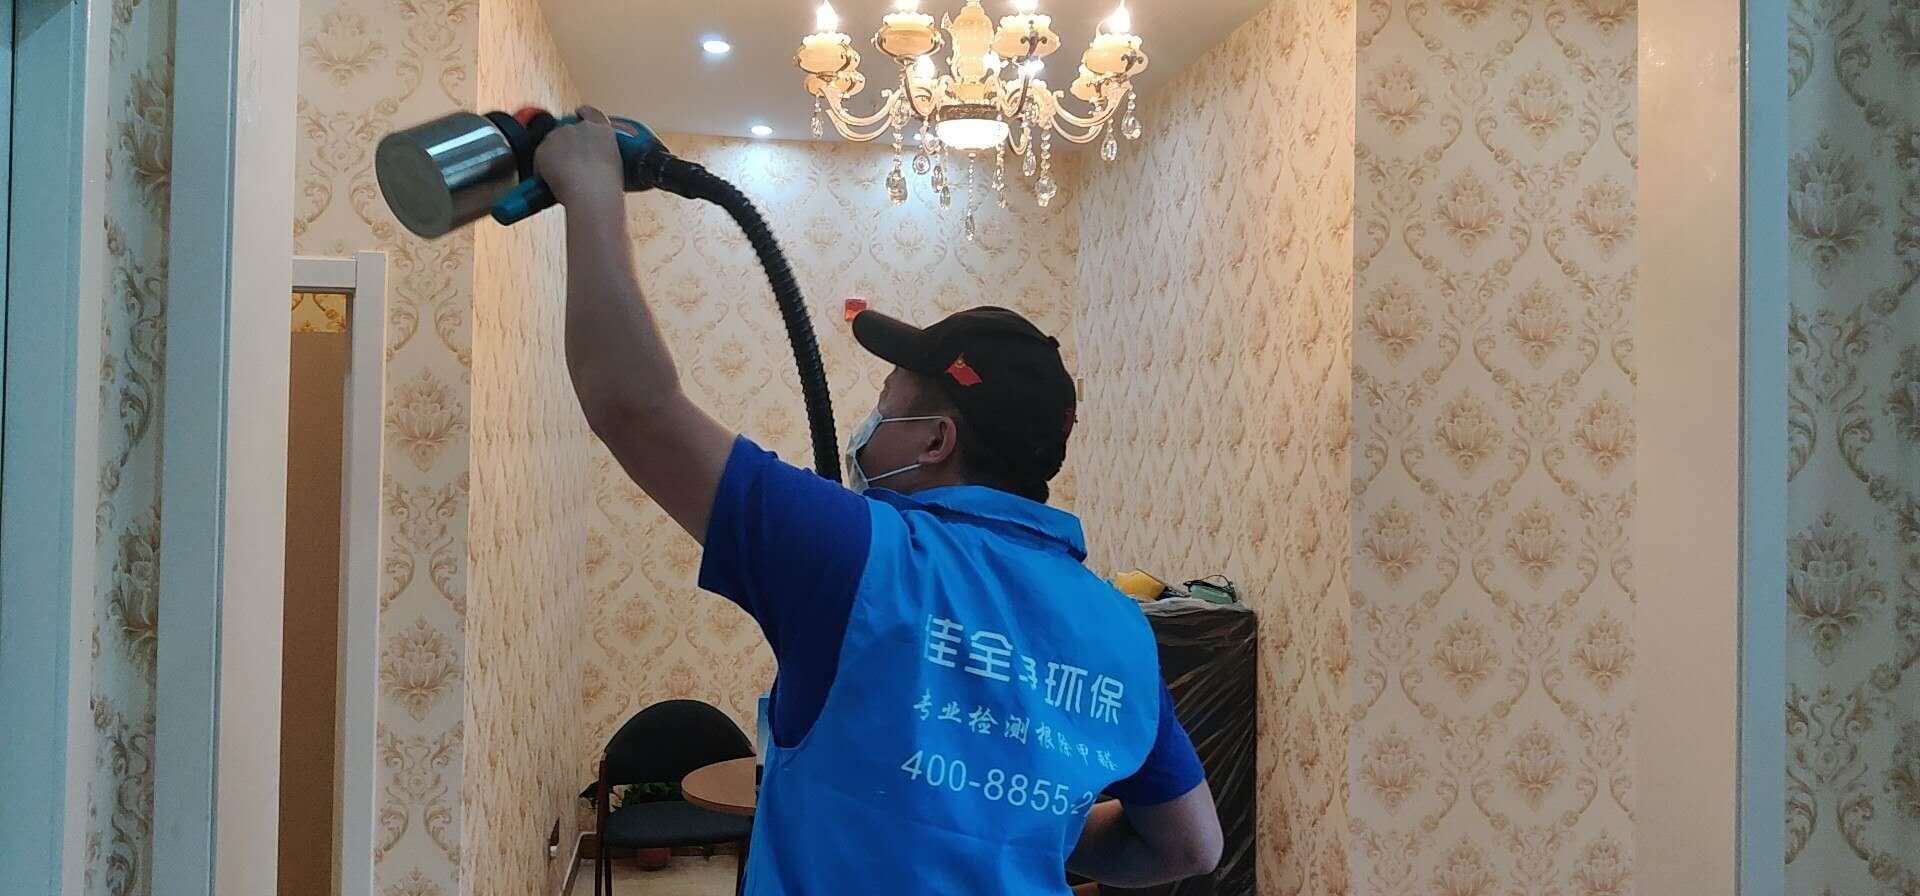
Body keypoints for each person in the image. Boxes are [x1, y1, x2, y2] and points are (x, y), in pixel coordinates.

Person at [537, 106, 1222, 895]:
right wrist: (1025, 834)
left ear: (934, 440)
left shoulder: (859, 554)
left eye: (888, 394)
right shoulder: (1122, 630)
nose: (872, 416)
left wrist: (589, 185)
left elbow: (634, 406)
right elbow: (1191, 845)